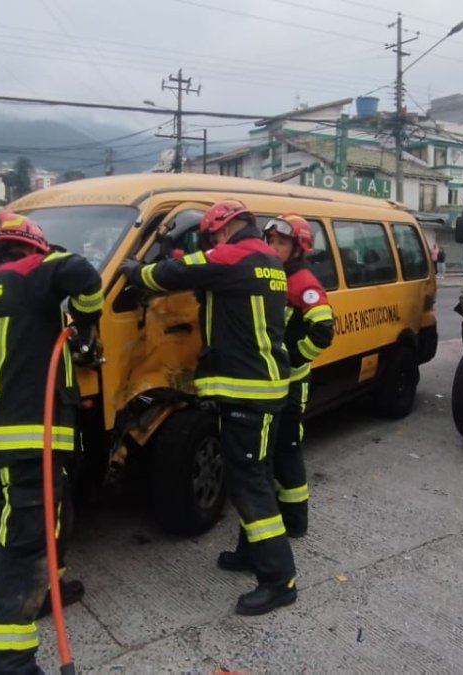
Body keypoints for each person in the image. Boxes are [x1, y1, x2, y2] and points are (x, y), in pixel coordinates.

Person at [119, 199, 297, 616]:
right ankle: (248, 553)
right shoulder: (267, 258)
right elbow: (207, 276)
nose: (212, 241)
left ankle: (279, 579)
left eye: (212, 235)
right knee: (255, 475)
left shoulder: (233, 254)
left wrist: (135, 271)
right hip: (262, 386)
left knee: (250, 481)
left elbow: (172, 274)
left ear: (223, 228)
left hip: (249, 391)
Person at [0, 211, 103, 674]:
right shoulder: (33, 271)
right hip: (33, 433)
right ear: (32, 247)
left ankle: (49, 591)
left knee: (52, 516)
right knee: (26, 543)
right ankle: (7, 662)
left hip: (8, 432)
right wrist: (85, 322)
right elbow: (84, 274)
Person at [225, 213, 333, 545]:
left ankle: (296, 521)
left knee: (286, 448)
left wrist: (292, 358)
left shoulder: (303, 283)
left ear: (299, 248)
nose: (273, 246)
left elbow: (324, 330)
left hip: (291, 383)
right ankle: (284, 519)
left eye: (282, 242)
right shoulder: (275, 274)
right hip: (273, 382)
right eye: (270, 240)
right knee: (274, 453)